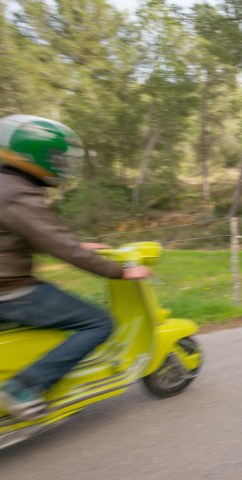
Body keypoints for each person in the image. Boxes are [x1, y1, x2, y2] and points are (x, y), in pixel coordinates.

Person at [0, 114, 150, 420]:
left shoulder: (7, 185)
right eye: (57, 158)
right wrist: (120, 272)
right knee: (99, 323)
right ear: (36, 155)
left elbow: (36, 234)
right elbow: (60, 246)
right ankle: (22, 387)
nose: (62, 165)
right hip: (10, 290)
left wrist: (78, 245)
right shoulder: (17, 193)